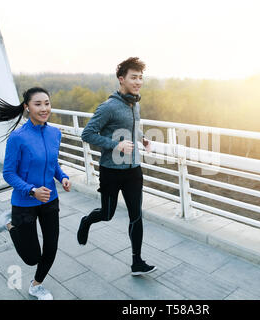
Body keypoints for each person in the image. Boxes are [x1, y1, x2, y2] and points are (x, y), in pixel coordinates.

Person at [0, 87, 71, 300]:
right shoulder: (17, 138)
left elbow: (53, 164)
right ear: (27, 107)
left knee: (51, 247)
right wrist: (31, 190)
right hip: (24, 202)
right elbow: (8, 173)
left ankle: (36, 286)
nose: (44, 108)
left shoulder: (55, 133)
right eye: (38, 104)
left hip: (50, 200)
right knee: (31, 257)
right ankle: (10, 224)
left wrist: (63, 177)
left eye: (46, 103)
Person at [78, 57, 156, 276]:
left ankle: (137, 262)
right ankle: (86, 221)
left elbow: (132, 127)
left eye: (141, 77)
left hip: (133, 171)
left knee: (136, 215)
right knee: (107, 213)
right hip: (111, 171)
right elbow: (87, 134)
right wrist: (116, 145)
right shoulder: (109, 107)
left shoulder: (135, 103)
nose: (138, 81)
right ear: (121, 79)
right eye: (134, 77)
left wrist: (142, 139)